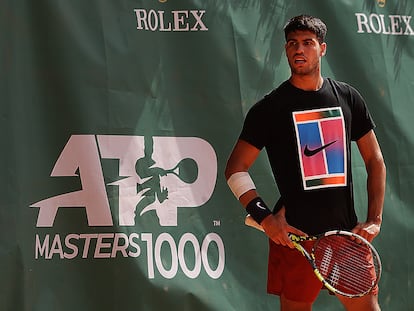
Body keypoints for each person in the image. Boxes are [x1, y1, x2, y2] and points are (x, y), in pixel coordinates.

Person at [224, 15, 386, 311]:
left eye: (308, 43)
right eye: (292, 44)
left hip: (346, 237)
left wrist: (374, 219)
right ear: (286, 50)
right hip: (294, 240)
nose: (299, 50)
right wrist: (265, 218)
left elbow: (375, 159)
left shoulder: (349, 98)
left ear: (322, 48)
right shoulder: (269, 109)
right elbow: (235, 169)